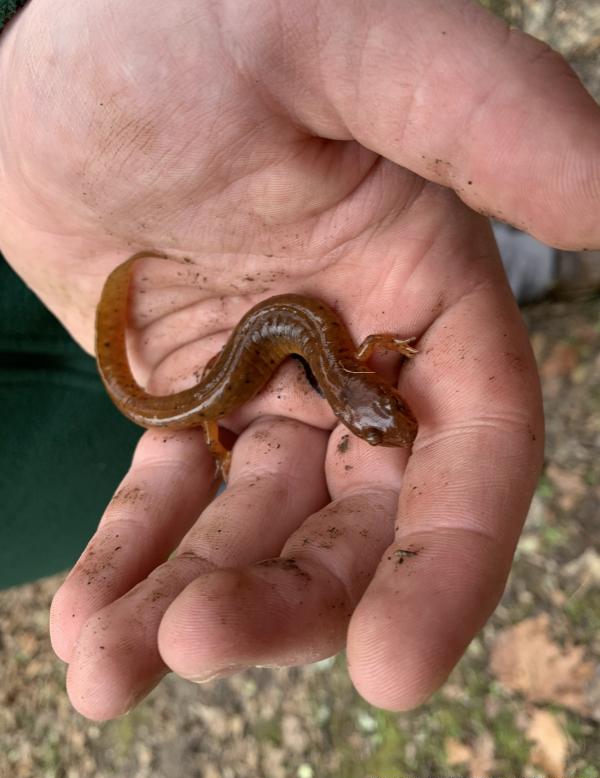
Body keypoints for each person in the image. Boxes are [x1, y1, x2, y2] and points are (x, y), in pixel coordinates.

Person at [1, 0, 598, 722]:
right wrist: (217, 438)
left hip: (198, 341)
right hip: (114, 437)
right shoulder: (355, 366)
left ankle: (523, 268)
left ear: (360, 400)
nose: (393, 420)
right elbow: (377, 347)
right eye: (387, 422)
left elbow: (377, 351)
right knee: (198, 436)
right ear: (355, 401)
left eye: (387, 422)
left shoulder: (355, 370)